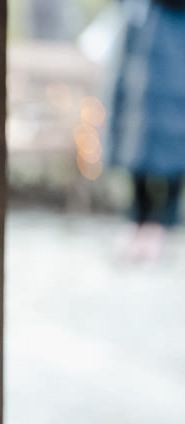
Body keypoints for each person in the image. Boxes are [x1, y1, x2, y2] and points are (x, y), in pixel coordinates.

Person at [108, 0, 185, 261]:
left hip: (176, 43)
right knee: (133, 132)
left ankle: (162, 222)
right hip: (141, 45)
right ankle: (136, 217)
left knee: (175, 132)